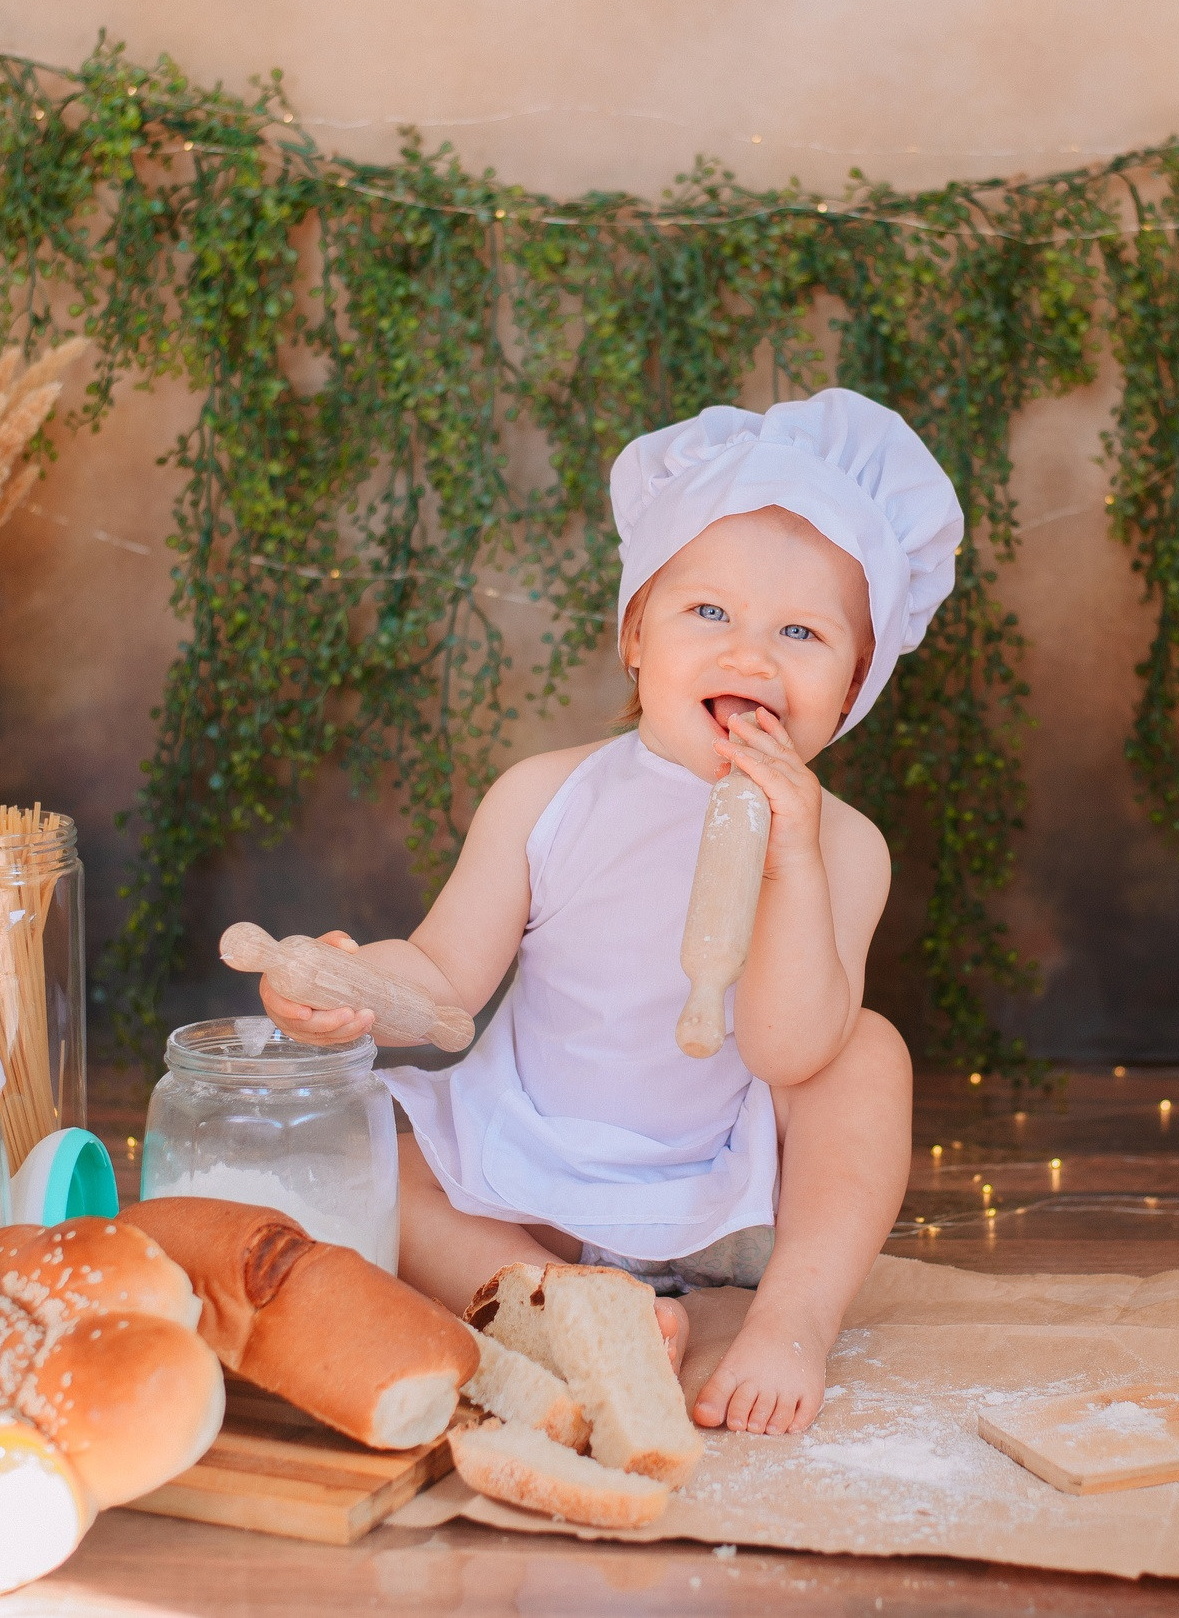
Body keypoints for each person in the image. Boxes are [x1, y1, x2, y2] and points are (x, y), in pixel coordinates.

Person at [260, 389, 961, 1435]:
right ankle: (560, 1293)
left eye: (802, 631)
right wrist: (354, 981)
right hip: (535, 1174)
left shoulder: (845, 845)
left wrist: (793, 861)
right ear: (636, 636)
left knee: (867, 1058)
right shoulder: (546, 796)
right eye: (707, 612)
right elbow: (445, 973)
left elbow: (787, 1046)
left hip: (730, 1193)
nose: (751, 655)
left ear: (855, 681)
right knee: (372, 1165)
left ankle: (791, 1319)